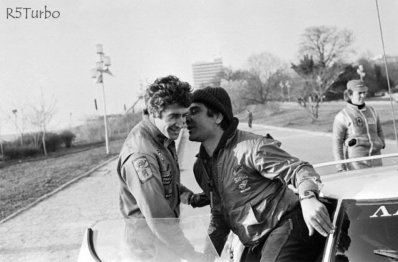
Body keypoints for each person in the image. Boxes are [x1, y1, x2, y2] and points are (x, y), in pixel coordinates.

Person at [186, 86, 334, 262]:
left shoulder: (252, 147)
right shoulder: (200, 167)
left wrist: (308, 198)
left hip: (285, 226)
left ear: (217, 116)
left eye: (194, 111)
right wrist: (207, 256)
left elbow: (300, 169)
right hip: (253, 242)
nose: (186, 118)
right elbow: (219, 216)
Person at [116, 75, 209, 261]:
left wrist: (189, 197)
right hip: (147, 253)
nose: (181, 124)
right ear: (153, 113)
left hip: (163, 246)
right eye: (173, 116)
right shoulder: (142, 155)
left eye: (184, 115)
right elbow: (159, 219)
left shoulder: (162, 137)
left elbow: (165, 184)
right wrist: (190, 255)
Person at [332, 79, 385, 171]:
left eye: (364, 92)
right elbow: (337, 143)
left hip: (376, 160)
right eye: (359, 93)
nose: (363, 95)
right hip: (357, 164)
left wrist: (381, 142)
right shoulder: (342, 116)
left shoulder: (372, 111)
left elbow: (379, 129)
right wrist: (340, 167)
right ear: (350, 94)